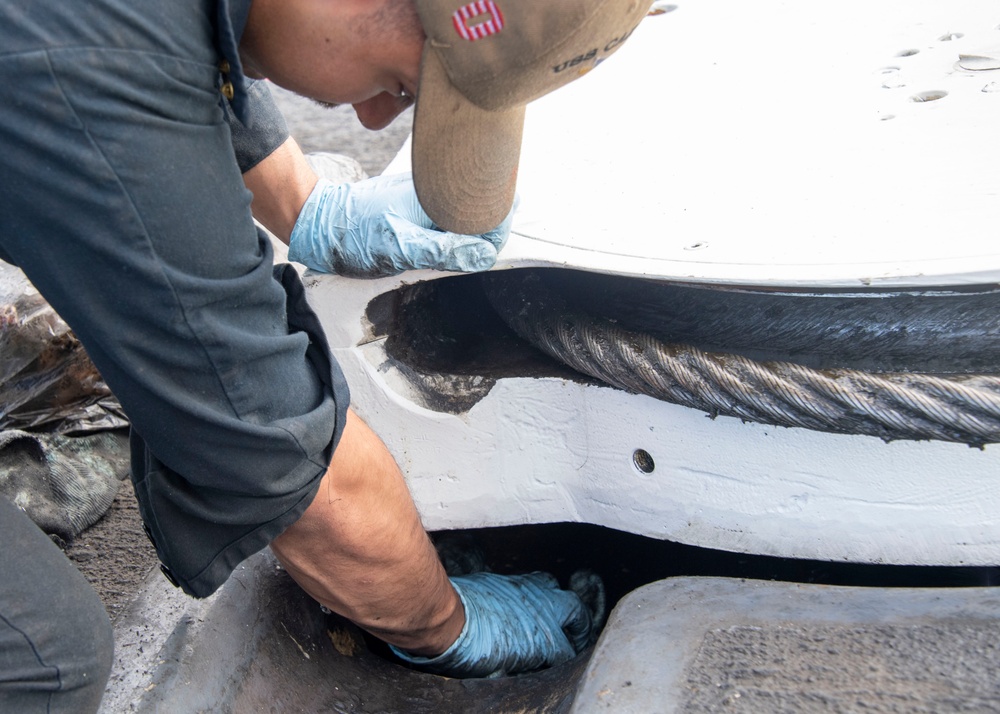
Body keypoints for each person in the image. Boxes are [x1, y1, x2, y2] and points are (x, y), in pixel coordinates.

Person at [0, 0, 648, 709]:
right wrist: (447, 625)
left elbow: (188, 50)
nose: (374, 120)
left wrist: (308, 205)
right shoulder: (81, 69)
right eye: (403, 87)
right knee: (44, 658)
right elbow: (268, 449)